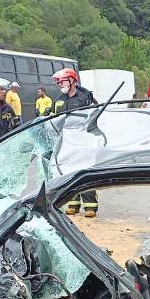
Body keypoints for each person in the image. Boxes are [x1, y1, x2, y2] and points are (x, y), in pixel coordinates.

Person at [52, 68, 99, 216]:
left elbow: (95, 117)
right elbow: (53, 119)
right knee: (69, 173)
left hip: (83, 142)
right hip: (66, 143)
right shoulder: (59, 101)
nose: (60, 85)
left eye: (62, 82)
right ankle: (73, 203)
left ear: (72, 81)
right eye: (58, 83)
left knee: (84, 172)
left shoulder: (85, 97)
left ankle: (90, 206)